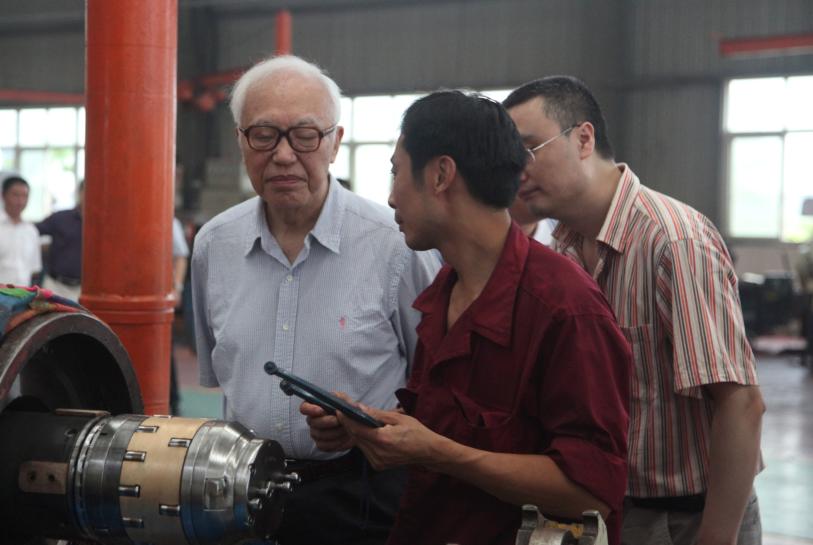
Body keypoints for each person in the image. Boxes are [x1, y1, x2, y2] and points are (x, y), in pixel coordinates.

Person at [305, 90, 631, 545]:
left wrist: (439, 453)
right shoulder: (443, 293)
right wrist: (372, 431)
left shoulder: (565, 309)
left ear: (441, 175)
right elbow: (442, 426)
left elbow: (590, 492)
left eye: (397, 172)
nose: (391, 197)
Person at [503, 76, 765, 545]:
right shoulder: (563, 253)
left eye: (528, 149)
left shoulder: (673, 242)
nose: (517, 170)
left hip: (689, 519)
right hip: (612, 513)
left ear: (583, 139)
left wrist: (716, 537)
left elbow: (740, 404)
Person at [190, 55, 439, 545]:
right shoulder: (214, 245)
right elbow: (221, 375)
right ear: (241, 141)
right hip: (241, 496)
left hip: (362, 496)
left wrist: (364, 427)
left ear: (335, 142)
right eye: (263, 135)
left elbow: (434, 391)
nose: (283, 155)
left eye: (305, 136)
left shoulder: (396, 246)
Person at [36, 180, 84, 300]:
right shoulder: (60, 218)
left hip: (83, 288)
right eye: (86, 191)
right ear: (80, 193)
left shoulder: (102, 224)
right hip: (55, 285)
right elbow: (32, 232)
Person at [0, 175, 41, 287]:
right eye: (15, 195)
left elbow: (34, 270)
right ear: (3, 196)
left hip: (23, 293)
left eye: (25, 196)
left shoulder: (31, 231)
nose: (20, 201)